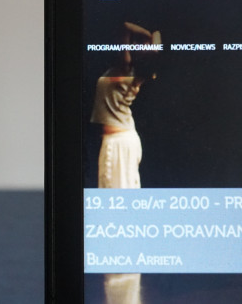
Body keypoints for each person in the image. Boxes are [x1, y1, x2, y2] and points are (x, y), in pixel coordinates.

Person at [90, 21, 161, 304]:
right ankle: (123, 280)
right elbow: (147, 39)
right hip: (124, 139)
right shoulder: (133, 72)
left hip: (119, 142)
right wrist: (150, 39)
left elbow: (123, 27)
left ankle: (121, 279)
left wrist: (144, 35)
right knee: (120, 202)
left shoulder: (125, 69)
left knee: (116, 204)